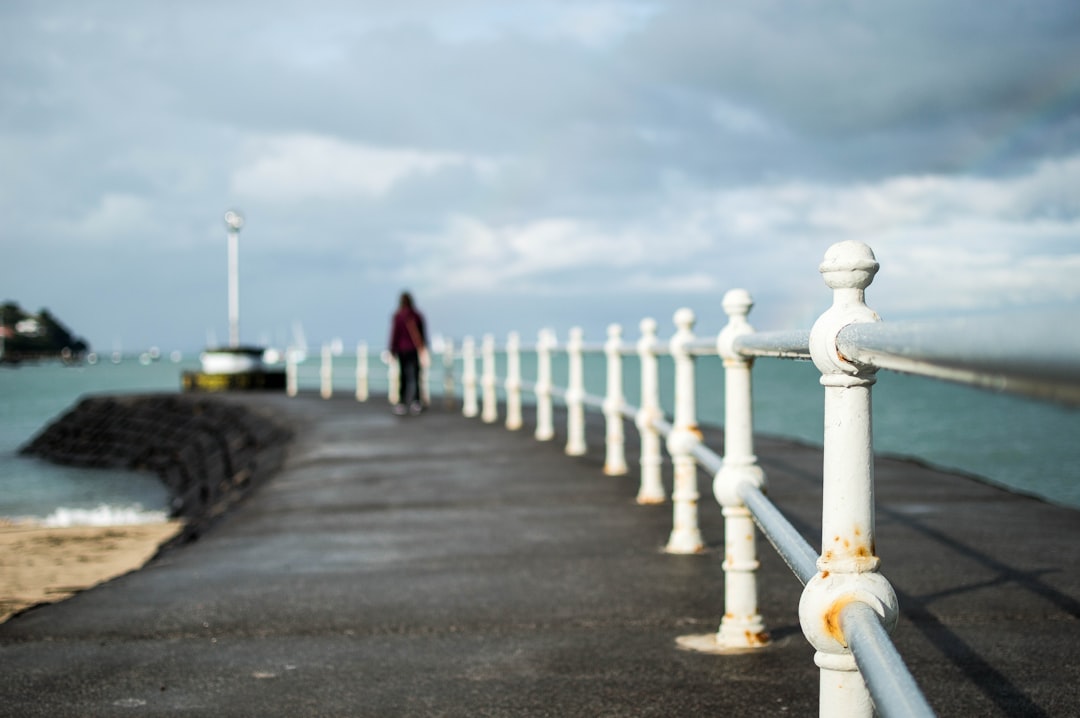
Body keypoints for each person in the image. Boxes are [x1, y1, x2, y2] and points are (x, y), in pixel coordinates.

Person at [388, 291, 428, 415]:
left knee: (403, 375)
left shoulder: (398, 316)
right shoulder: (417, 315)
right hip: (414, 349)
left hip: (401, 349)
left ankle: (402, 402)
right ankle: (416, 402)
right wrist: (424, 347)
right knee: (415, 375)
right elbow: (423, 333)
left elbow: (395, 334)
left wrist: (392, 349)